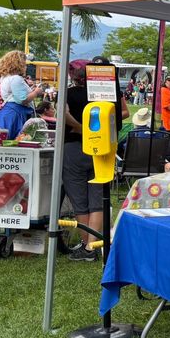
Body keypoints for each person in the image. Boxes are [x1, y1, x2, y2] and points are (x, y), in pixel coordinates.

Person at [61, 60, 104, 261]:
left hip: (74, 147)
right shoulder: (101, 96)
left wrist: (79, 127)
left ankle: (87, 247)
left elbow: (63, 113)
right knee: (97, 199)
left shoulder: (68, 93)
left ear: (73, 76)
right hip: (100, 148)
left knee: (79, 201)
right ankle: (91, 247)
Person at [0, 50, 43, 137]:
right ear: (19, 64)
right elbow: (22, 100)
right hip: (15, 114)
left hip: (8, 113)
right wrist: (36, 92)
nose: (26, 66)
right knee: (14, 141)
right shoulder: (16, 78)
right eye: (24, 63)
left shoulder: (5, 78)